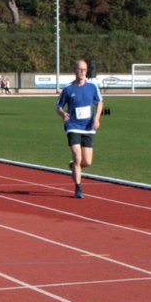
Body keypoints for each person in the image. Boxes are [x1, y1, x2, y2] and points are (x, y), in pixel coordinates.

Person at [56, 57, 103, 199]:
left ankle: (74, 167)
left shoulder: (92, 87)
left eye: (84, 69)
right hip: (73, 126)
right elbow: (58, 107)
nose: (82, 72)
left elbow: (100, 103)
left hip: (88, 127)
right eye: (79, 69)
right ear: (74, 71)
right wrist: (63, 114)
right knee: (77, 156)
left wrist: (97, 118)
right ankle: (78, 187)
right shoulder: (68, 89)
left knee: (86, 162)